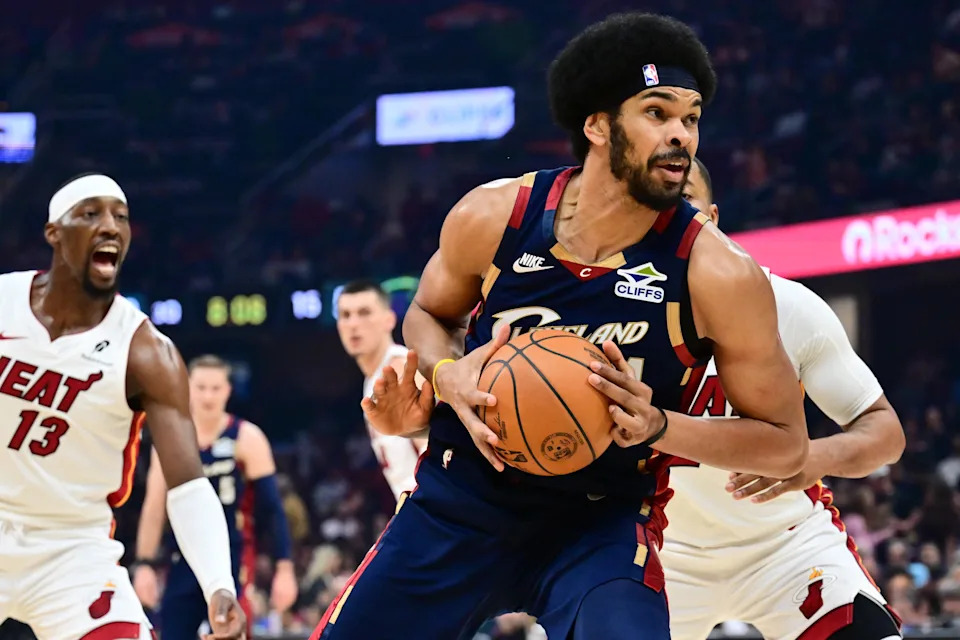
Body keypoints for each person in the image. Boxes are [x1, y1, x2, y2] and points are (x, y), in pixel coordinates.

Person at [311, 13, 808, 640]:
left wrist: (659, 426)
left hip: (597, 525)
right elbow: (428, 314)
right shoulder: (494, 215)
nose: (682, 135)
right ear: (597, 124)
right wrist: (447, 372)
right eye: (657, 113)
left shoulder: (716, 272)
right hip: (458, 506)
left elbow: (785, 441)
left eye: (691, 117)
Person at [659, 158, 905, 640]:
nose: (666, 209)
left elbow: (885, 431)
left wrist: (814, 455)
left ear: (710, 216)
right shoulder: (600, 318)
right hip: (657, 553)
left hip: (786, 548)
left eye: (681, 194)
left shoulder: (787, 304)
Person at [0, 173, 245, 639]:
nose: (110, 226)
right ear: (54, 232)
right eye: (91, 214)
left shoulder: (147, 352)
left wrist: (219, 585)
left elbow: (189, 485)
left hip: (72, 552)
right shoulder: (2, 302)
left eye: (121, 217)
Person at [134, 355, 297, 639]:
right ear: (187, 388)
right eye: (201, 387)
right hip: (182, 557)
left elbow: (272, 509)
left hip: (233, 555)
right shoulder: (171, 439)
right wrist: (145, 564)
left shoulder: (247, 437)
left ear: (228, 391)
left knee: (231, 631)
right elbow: (154, 507)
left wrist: (284, 568)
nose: (208, 396)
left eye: (215, 388)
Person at [335, 280, 426, 501]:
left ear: (389, 320)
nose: (353, 323)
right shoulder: (373, 379)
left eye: (364, 313)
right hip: (415, 510)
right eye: (345, 315)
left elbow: (440, 454)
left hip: (436, 512)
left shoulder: (403, 370)